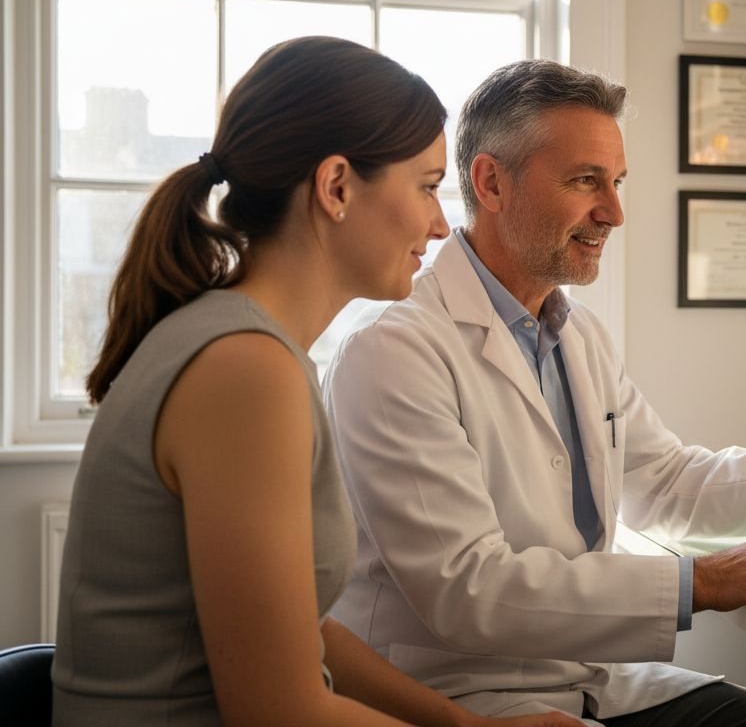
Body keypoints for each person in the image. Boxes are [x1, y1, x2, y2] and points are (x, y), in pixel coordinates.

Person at [322, 59, 746, 725]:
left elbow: (667, 484)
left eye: (615, 182)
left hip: (587, 678)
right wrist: (706, 581)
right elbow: (468, 589)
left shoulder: (576, 334)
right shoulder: (395, 350)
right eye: (586, 181)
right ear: (492, 182)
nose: (614, 212)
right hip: (455, 696)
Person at [52, 38, 580, 727]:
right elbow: (278, 710)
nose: (439, 223)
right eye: (424, 187)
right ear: (335, 187)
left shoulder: (245, 346)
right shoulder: (246, 371)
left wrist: (465, 725)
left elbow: (302, 632)